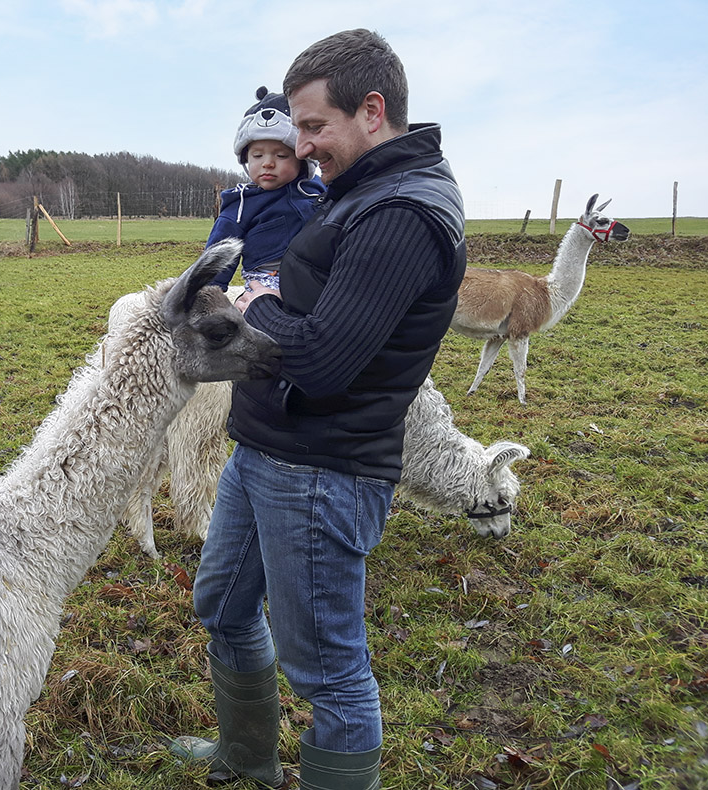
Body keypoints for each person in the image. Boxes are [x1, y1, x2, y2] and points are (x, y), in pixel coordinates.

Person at [171, 29, 467, 790]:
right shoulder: (358, 190)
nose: (299, 148)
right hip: (266, 447)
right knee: (223, 606)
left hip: (322, 469)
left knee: (327, 671)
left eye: (311, 127)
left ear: (371, 110)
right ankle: (248, 756)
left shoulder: (402, 213)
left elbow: (323, 362)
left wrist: (251, 304)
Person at [205, 86, 325, 293]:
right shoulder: (241, 203)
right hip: (267, 278)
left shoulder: (317, 189)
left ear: (302, 160)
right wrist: (208, 289)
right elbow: (220, 249)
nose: (267, 163)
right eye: (258, 156)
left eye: (281, 155)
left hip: (318, 273)